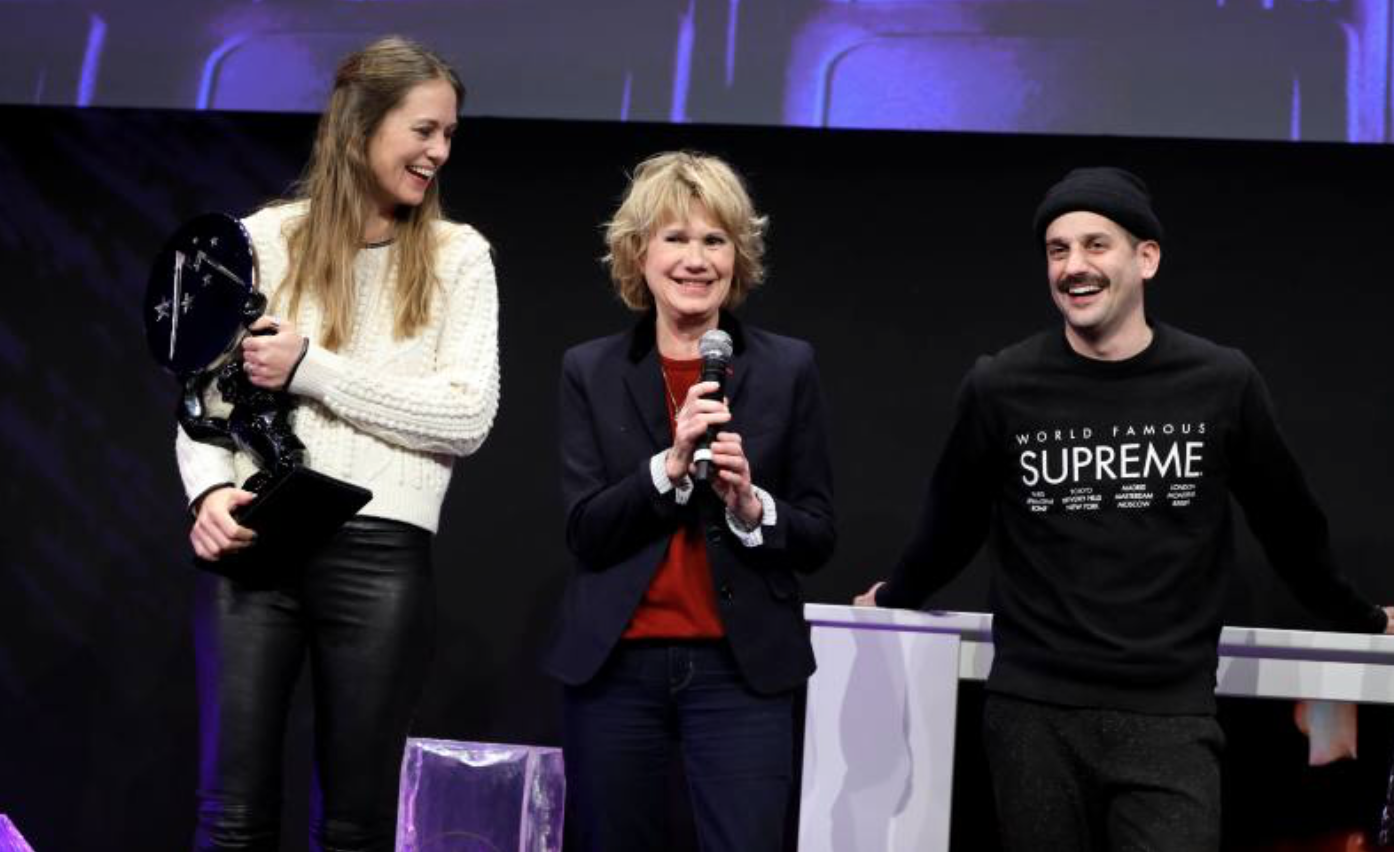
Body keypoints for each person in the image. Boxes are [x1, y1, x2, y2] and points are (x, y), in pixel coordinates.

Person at [854, 166, 1394, 852]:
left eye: (1095, 245)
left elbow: (1289, 525)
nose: (1074, 267)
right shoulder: (1003, 385)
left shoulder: (1220, 382)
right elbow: (950, 522)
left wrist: (1364, 617)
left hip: (1169, 715)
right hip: (1033, 712)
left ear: (1147, 257)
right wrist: (896, 595)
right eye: (1058, 250)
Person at [173, 36, 499, 851]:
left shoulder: (460, 257)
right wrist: (209, 491)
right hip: (259, 541)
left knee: (354, 824)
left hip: (382, 552)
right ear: (359, 126)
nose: (439, 152)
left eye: (449, 135)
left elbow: (466, 416)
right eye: (424, 130)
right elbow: (200, 398)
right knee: (232, 815)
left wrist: (313, 369)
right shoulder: (264, 241)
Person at [544, 151, 836, 851]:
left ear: (739, 257)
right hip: (615, 670)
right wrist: (667, 470)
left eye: (715, 239)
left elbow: (820, 532)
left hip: (741, 673)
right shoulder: (590, 369)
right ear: (638, 253)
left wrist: (751, 506)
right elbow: (585, 531)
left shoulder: (787, 366)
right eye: (675, 238)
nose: (696, 259)